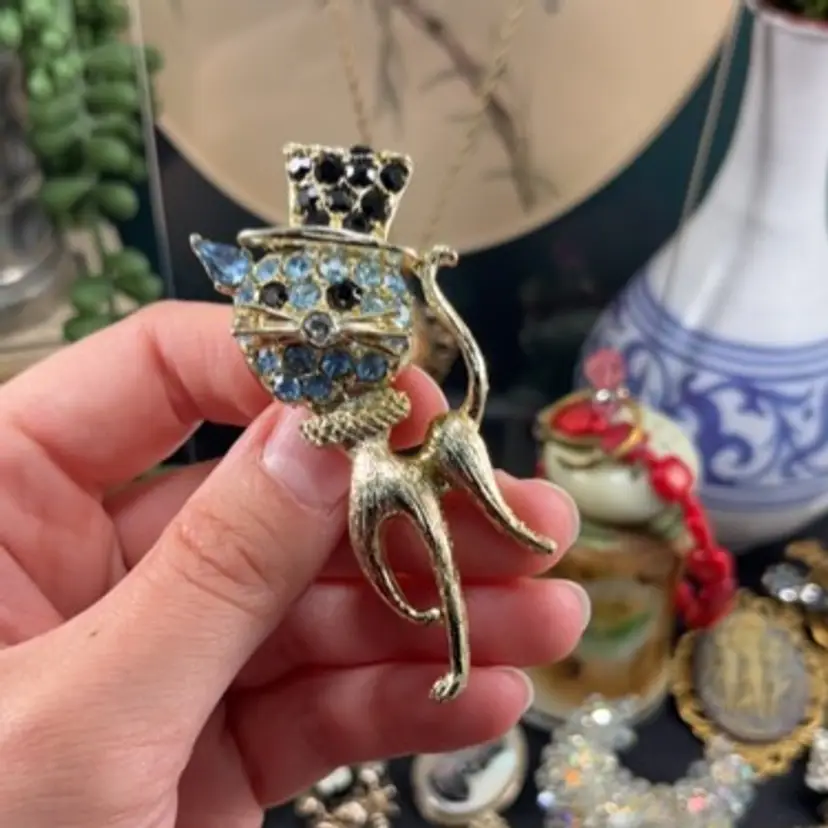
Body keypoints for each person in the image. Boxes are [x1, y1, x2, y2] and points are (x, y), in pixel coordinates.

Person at [0, 302, 588, 828]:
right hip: (373, 467)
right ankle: (478, 611)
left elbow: (469, 383)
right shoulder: (345, 448)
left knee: (450, 550)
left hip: (401, 456)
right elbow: (381, 568)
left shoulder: (406, 437)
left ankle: (506, 553)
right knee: (428, 564)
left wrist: (430, 289)